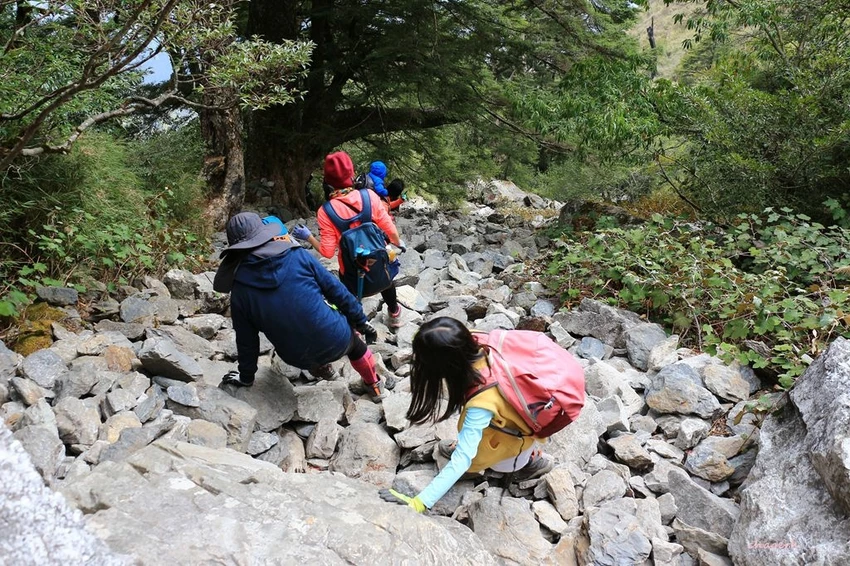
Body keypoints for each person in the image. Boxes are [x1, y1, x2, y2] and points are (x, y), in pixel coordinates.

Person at [378, 317, 557, 512]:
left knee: (471, 460)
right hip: (526, 415)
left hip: (515, 445)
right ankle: (524, 449)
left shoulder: (482, 402)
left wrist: (419, 502)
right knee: (482, 431)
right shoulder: (479, 344)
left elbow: (462, 460)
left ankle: (526, 462)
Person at [213, 212, 387, 399]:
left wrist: (246, 377)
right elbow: (337, 292)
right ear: (264, 234)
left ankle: (324, 369)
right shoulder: (298, 256)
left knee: (296, 332)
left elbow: (247, 341)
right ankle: (374, 386)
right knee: (355, 345)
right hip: (336, 340)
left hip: (296, 357)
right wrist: (361, 321)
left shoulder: (239, 289)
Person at [292, 151, 406, 329]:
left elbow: (327, 252)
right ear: (352, 175)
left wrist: (308, 237)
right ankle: (394, 314)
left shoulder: (325, 211)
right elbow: (391, 232)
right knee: (386, 273)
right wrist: (398, 244)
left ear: (327, 182)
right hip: (378, 264)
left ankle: (356, 327)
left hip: (352, 273)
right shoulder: (370, 196)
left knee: (347, 292)